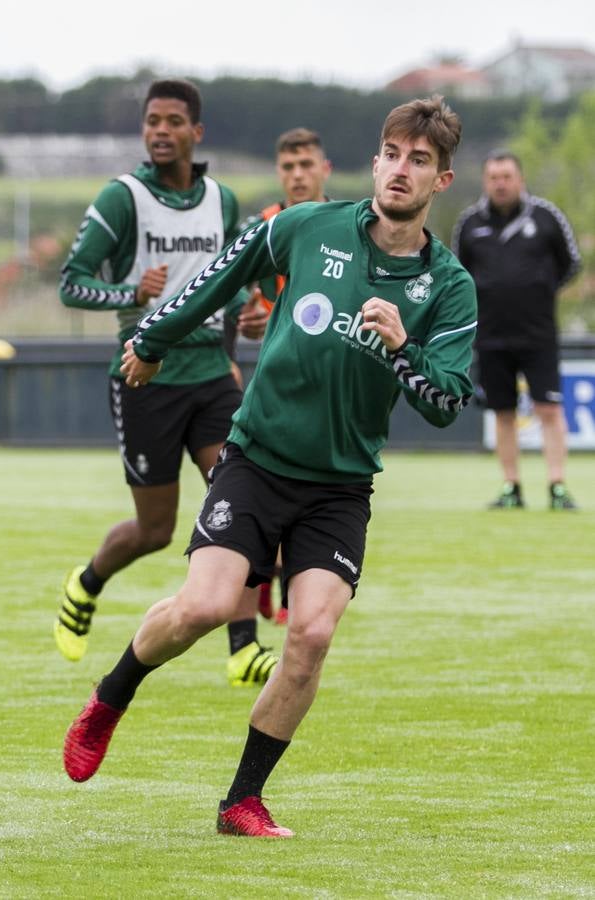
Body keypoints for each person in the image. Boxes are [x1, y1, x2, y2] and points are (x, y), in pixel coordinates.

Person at [63, 96, 476, 838]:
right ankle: (111, 695)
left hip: (340, 486)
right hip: (256, 460)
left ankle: (241, 801)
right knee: (202, 609)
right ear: (375, 160)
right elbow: (219, 278)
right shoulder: (303, 227)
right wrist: (153, 338)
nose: (401, 170)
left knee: (311, 634)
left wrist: (402, 348)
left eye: (420, 161)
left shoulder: (446, 287)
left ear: (440, 180)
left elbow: (446, 402)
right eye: (392, 153)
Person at [54, 78, 278, 688]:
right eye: (151, 120)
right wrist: (132, 294)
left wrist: (248, 320)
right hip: (144, 378)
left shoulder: (222, 201)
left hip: (211, 374)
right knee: (155, 530)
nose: (159, 130)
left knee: (239, 507)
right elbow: (71, 282)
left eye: (173, 120)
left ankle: (242, 648)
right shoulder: (122, 197)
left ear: (195, 133)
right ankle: (87, 582)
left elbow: (231, 281)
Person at [238, 127, 335, 625]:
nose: (297, 175)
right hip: (277, 383)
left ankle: (280, 585)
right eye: (288, 167)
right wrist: (251, 320)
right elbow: (246, 298)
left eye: (306, 165)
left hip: (330, 390)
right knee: (269, 483)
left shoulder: (349, 227)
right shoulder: (266, 226)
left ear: (325, 170)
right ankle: (267, 585)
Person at [451, 150, 583, 510]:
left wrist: (539, 288)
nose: (500, 183)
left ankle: (557, 486)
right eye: (493, 177)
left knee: (549, 411)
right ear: (485, 182)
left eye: (507, 176)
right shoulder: (470, 222)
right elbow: (457, 274)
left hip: (538, 335)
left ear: (520, 180)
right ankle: (512, 488)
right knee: (503, 413)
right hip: (491, 337)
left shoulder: (546, 216)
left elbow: (571, 263)